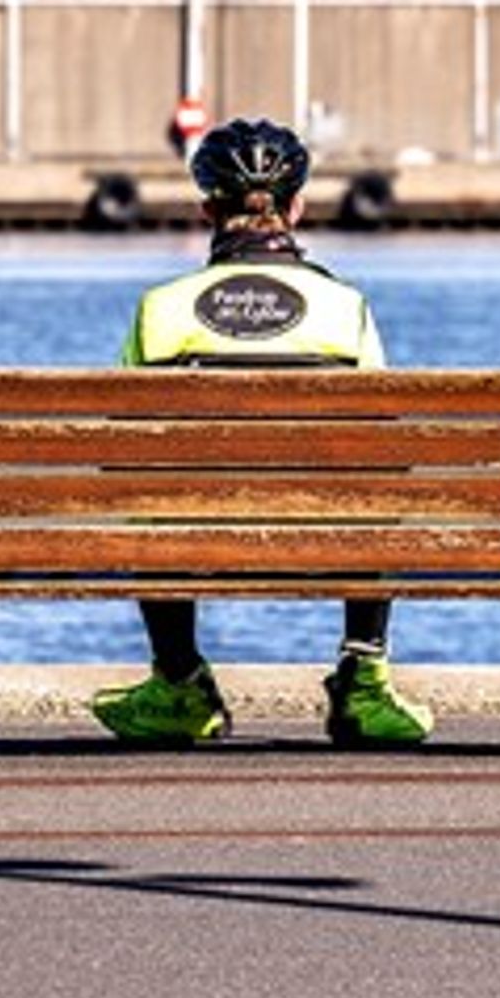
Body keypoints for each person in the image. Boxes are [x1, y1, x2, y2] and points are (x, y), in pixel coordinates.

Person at [92, 117, 434, 748]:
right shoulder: (346, 309)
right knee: (381, 484)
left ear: (206, 210)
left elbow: (124, 448)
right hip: (326, 531)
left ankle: (178, 681)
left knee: (147, 491)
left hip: (193, 533)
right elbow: (385, 447)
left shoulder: (160, 310)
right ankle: (363, 678)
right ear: (297, 208)